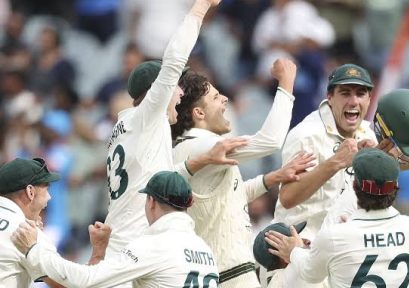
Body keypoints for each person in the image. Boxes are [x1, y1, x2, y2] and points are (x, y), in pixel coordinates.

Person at [103, 0, 247, 281]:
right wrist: (201, 8)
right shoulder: (147, 116)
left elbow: (151, 178)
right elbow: (174, 60)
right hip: (137, 243)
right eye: (175, 88)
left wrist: (199, 162)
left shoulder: (127, 126)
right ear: (155, 92)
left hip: (124, 241)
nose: (180, 95)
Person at [273, 64, 409, 240]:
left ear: (370, 99)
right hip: (298, 250)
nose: (353, 101)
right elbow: (288, 198)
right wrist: (335, 163)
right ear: (329, 97)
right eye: (345, 93)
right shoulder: (306, 135)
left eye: (360, 93)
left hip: (342, 249)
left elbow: (394, 161)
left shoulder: (366, 130)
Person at [171, 57, 299, 287]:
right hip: (232, 274)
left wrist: (271, 178)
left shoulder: (187, 148)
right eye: (215, 97)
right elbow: (270, 140)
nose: (225, 99)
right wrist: (286, 84)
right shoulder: (204, 145)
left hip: (215, 273)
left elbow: (226, 197)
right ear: (199, 113)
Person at [12, 171, 220, 287]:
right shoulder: (205, 249)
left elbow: (86, 281)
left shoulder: (153, 246)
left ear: (151, 202)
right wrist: (100, 251)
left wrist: (34, 249)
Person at [265, 148, 409, 287]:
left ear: (355, 186)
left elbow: (310, 273)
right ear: (395, 188)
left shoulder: (335, 236)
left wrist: (294, 250)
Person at [0, 157, 109, 288]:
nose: (49, 197)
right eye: (47, 189)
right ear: (30, 192)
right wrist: (99, 251)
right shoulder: (26, 234)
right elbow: (79, 285)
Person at [253, 221, 321, 288]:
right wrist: (297, 249)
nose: (307, 241)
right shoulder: (290, 278)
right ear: (282, 256)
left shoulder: (279, 278)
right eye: (294, 241)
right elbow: (311, 266)